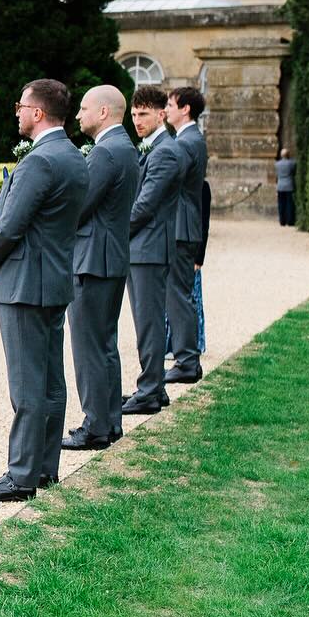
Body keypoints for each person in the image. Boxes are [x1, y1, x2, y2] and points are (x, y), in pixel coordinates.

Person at [0, 78, 89, 502]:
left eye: (20, 106)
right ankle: (43, 469)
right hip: (54, 279)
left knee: (26, 385)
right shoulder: (73, 156)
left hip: (24, 284)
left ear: (38, 113)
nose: (16, 112)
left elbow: (10, 224)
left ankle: (20, 477)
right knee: (51, 380)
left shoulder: (40, 162)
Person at [62, 85, 138, 452]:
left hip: (93, 260)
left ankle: (95, 427)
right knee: (105, 343)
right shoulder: (123, 146)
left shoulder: (106, 152)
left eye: (84, 108)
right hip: (110, 257)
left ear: (104, 112)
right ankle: (109, 423)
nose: (78, 115)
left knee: (89, 345)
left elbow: (80, 206)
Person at [122, 86, 186, 417]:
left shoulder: (165, 151)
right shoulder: (153, 147)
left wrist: (116, 233)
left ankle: (148, 391)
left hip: (148, 249)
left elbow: (144, 206)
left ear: (162, 114)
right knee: (147, 321)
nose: (137, 120)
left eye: (144, 114)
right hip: (144, 248)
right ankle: (154, 388)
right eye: (134, 114)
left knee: (148, 323)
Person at [164, 87, 208, 385]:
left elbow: (167, 180)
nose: (165, 109)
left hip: (180, 225)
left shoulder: (186, 142)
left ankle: (187, 360)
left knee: (178, 294)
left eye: (169, 104)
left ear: (186, 109)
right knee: (179, 293)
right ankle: (186, 358)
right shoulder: (190, 140)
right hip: (183, 224)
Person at [275, 148, 296, 226]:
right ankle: (290, 221)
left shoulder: (277, 164)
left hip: (280, 186)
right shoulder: (291, 163)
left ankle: (282, 221)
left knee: (281, 204)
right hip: (289, 185)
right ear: (288, 155)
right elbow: (294, 170)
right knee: (289, 204)